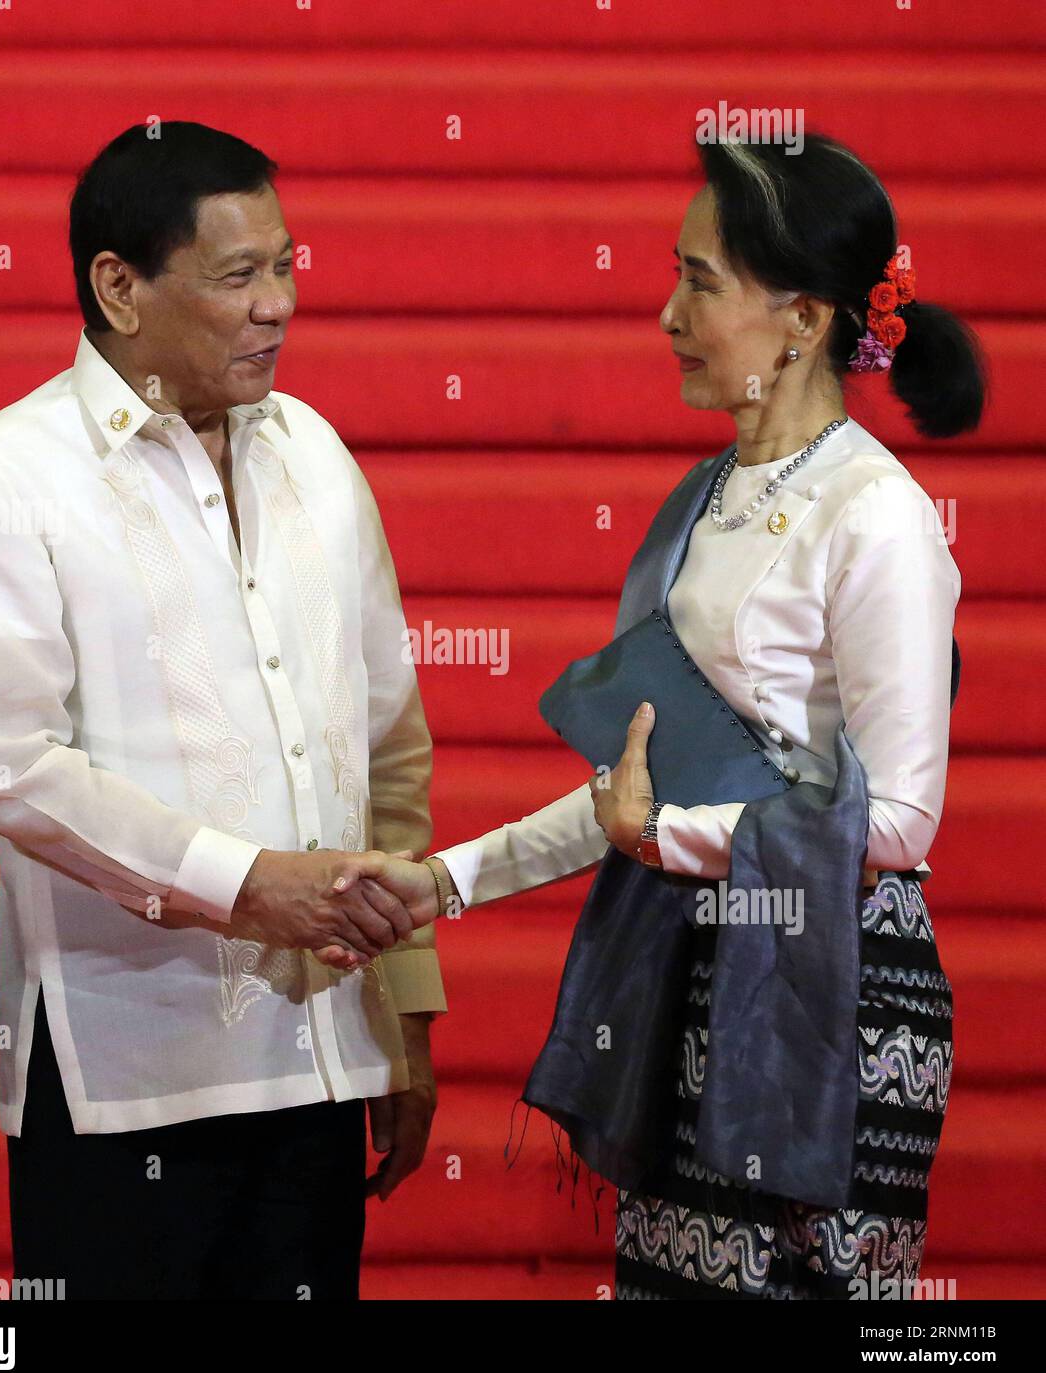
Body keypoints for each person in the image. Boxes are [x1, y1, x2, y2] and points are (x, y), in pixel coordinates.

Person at [329, 130, 985, 1300]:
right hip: (692, 980)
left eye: (700, 281)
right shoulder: (709, 499)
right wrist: (449, 880)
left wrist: (668, 839)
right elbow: (655, 779)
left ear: (803, 319)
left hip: (830, 1003)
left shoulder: (875, 516)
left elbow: (898, 823)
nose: (668, 315)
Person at [0, 121, 446, 1301]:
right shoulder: (2, 479)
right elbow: (13, 770)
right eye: (240, 275)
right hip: (130, 1083)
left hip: (320, 1074)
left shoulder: (317, 455)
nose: (279, 307)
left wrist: (405, 1013)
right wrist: (251, 882)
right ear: (120, 286)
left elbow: (388, 748)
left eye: (289, 266)